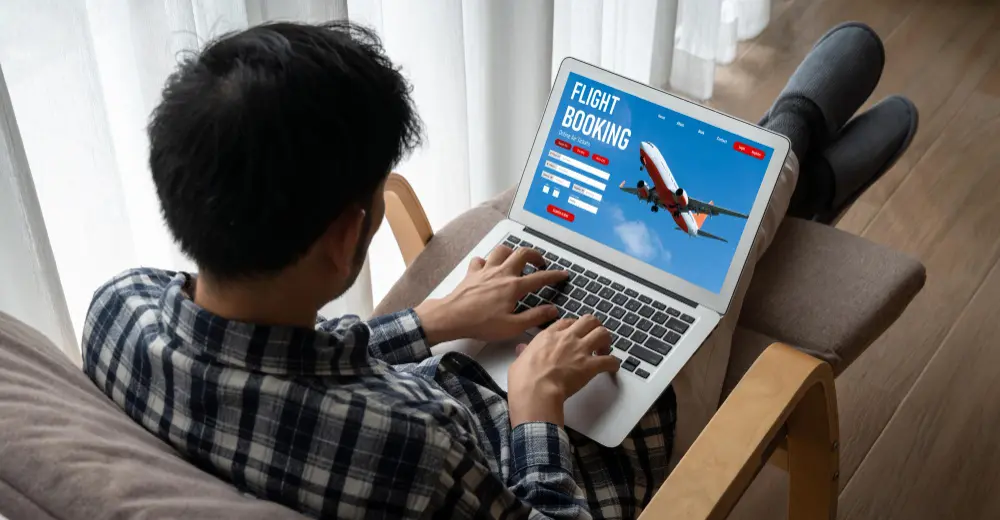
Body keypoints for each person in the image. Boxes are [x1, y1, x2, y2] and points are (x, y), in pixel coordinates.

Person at [81, 20, 916, 520]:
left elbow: (274, 358)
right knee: (705, 263)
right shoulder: (411, 457)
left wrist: (431, 322)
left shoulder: (119, 314)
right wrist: (535, 406)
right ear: (346, 240)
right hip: (576, 449)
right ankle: (796, 154)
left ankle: (797, 162)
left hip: (442, 379)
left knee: (614, 242)